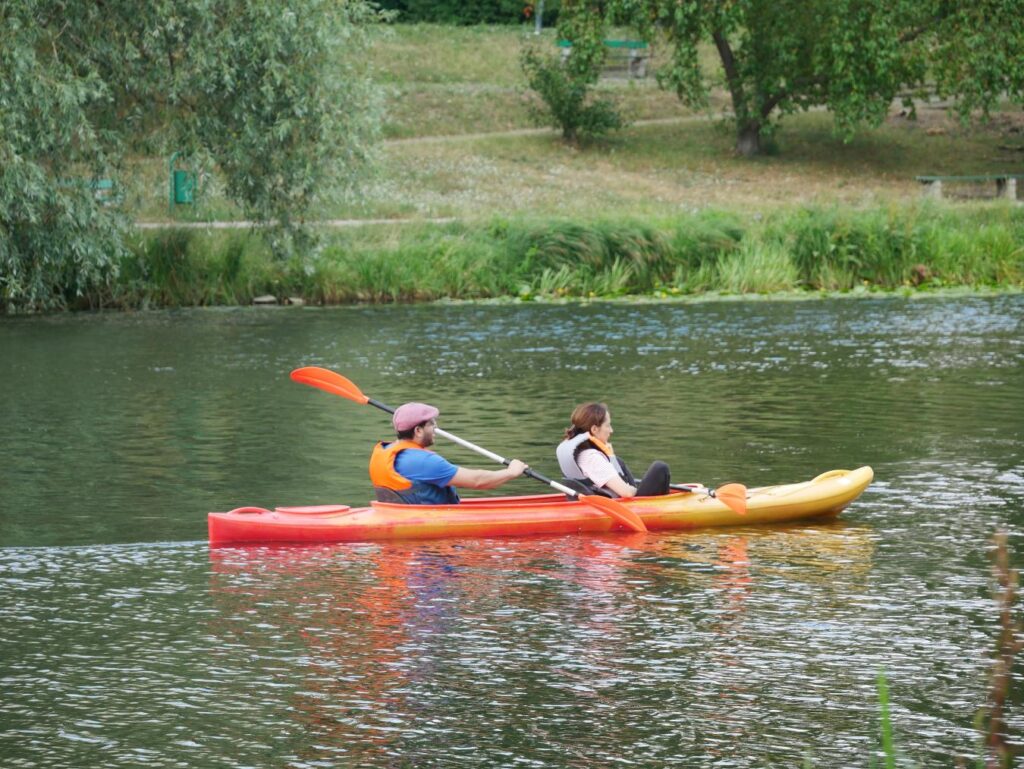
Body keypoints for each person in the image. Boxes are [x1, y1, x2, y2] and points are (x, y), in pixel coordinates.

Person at [369, 402, 528, 505]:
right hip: (427, 529)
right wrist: (511, 472)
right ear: (418, 430)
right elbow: (477, 481)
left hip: (398, 517)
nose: (437, 429)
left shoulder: (385, 450)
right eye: (432, 424)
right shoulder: (424, 461)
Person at [556, 402, 670, 498]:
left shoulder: (581, 453)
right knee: (660, 468)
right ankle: (664, 505)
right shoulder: (592, 458)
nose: (611, 430)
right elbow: (627, 493)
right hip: (624, 507)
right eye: (608, 425)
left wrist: (611, 457)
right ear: (594, 429)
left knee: (618, 461)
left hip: (605, 502)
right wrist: (636, 489)